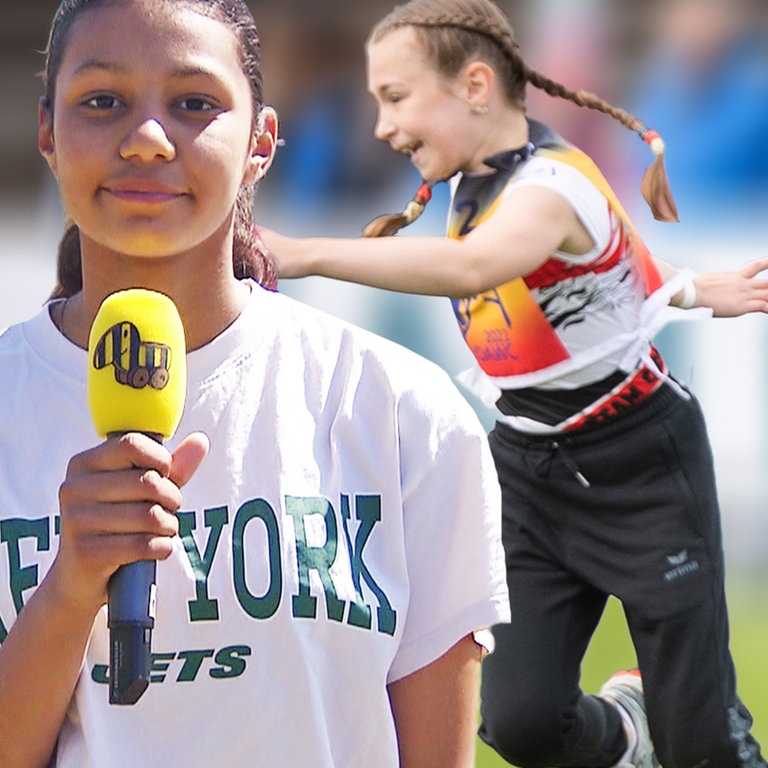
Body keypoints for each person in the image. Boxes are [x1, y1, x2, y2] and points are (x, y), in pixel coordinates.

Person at [0, 1, 511, 766]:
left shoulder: (405, 412)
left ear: (261, 142)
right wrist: (71, 588)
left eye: (194, 104)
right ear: (47, 132)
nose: (145, 140)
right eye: (101, 101)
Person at [260, 0, 768, 766]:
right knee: (523, 724)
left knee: (703, 744)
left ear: (473, 86)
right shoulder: (480, 180)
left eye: (395, 98)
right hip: (529, 471)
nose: (380, 127)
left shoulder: (548, 184)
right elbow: (601, 266)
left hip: (642, 467)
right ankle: (629, 730)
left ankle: (674, 726)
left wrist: (298, 253)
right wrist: (692, 289)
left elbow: (477, 267)